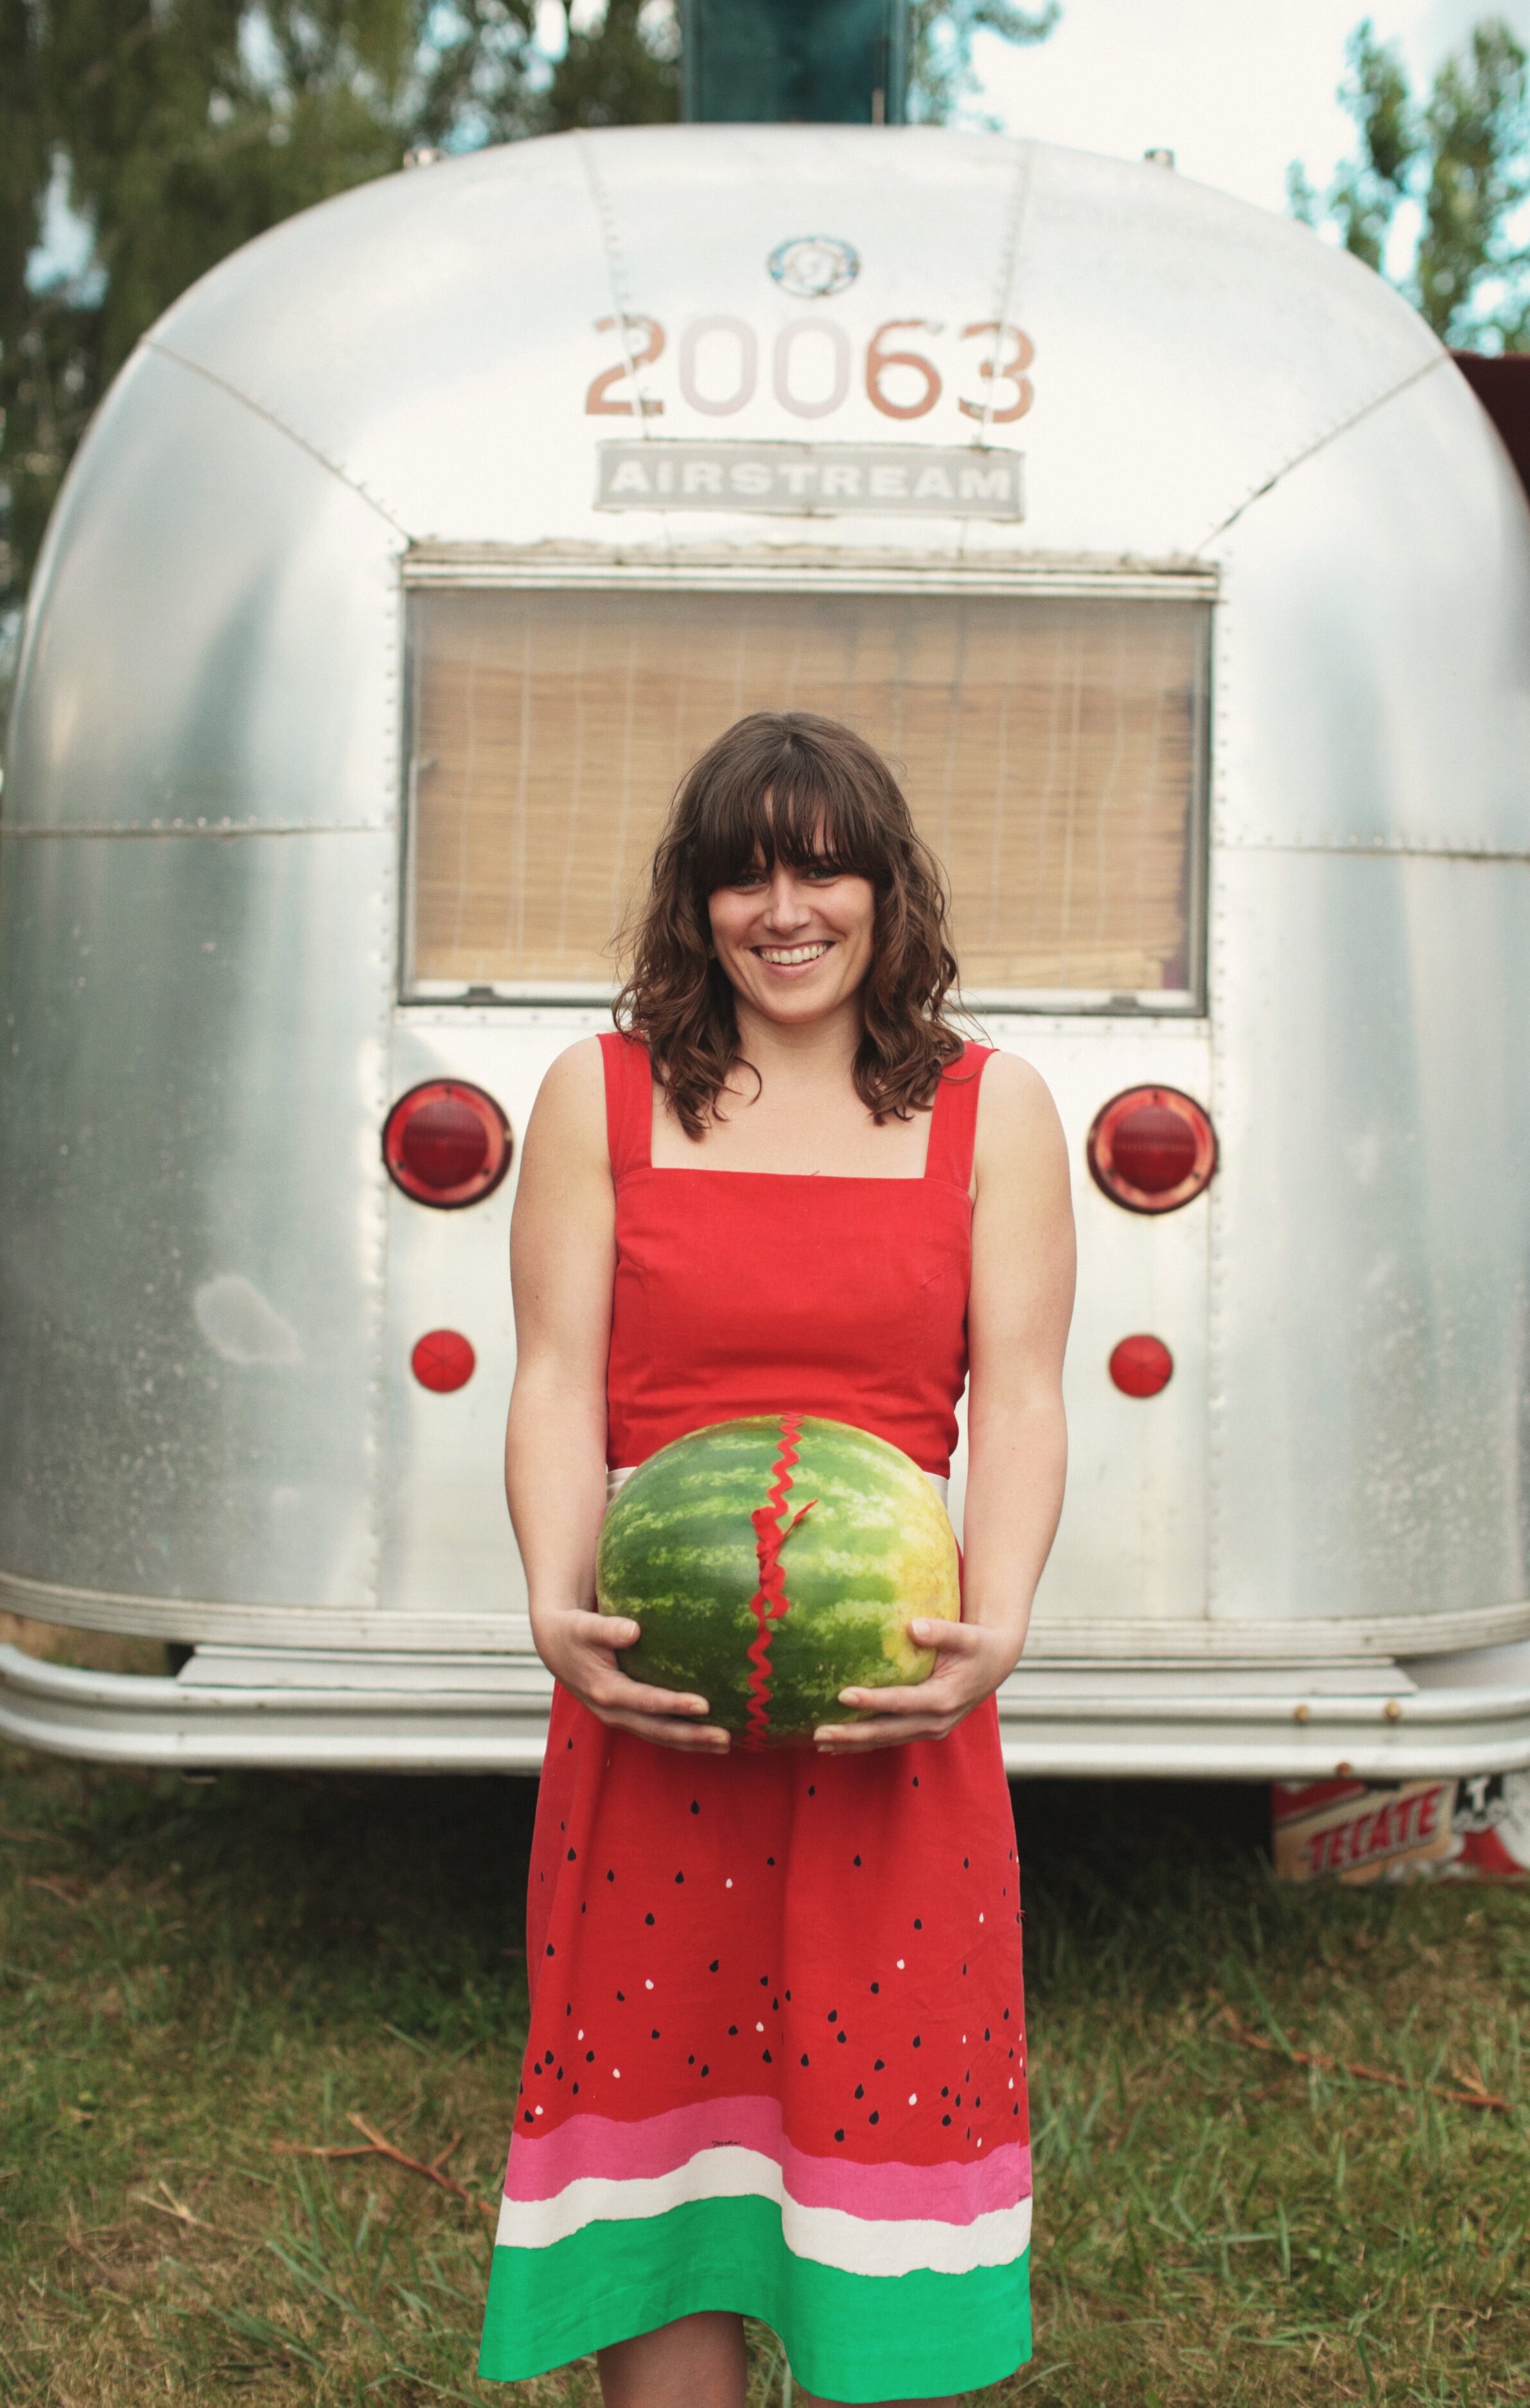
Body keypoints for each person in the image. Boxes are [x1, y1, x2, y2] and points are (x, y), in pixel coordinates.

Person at [478, 711, 1077, 2407]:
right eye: (742, 871)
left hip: (892, 1722)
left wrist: (1001, 1625)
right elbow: (550, 1377)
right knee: (658, 2142)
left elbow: (1020, 1403)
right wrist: (553, 1609)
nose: (783, 905)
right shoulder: (599, 1096)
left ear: (888, 890)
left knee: (886, 2134)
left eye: (822, 863)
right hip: (651, 1709)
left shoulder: (995, 1109)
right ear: (696, 902)